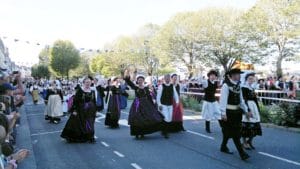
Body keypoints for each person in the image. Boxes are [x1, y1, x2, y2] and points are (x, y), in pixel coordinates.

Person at [219, 68, 250, 161]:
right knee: (235, 133)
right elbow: (223, 100)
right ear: (231, 75)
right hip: (229, 113)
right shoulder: (226, 85)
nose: (239, 76)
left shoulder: (238, 85)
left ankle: (223, 146)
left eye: (239, 74)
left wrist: (246, 110)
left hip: (237, 113)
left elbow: (241, 100)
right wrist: (223, 113)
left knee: (228, 132)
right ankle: (242, 153)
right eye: (237, 74)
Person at [124, 71, 165, 139]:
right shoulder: (135, 87)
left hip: (146, 104)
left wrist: (153, 105)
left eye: (141, 80)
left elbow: (149, 97)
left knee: (147, 118)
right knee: (137, 119)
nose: (140, 81)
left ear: (143, 80)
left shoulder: (146, 88)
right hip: (137, 104)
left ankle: (143, 133)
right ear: (137, 81)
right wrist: (127, 75)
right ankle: (137, 133)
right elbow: (128, 82)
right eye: (139, 80)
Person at [61, 77, 97, 143]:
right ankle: (83, 136)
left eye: (89, 82)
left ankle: (90, 136)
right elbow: (75, 101)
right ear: (83, 83)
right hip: (81, 110)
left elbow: (94, 101)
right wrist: (74, 110)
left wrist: (95, 110)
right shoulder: (80, 91)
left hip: (90, 111)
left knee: (90, 123)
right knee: (80, 124)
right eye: (86, 82)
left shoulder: (92, 91)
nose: (88, 84)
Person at [241, 72, 262, 150]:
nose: (251, 80)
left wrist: (258, 109)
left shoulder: (252, 88)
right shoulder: (243, 88)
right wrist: (247, 110)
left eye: (252, 78)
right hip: (247, 107)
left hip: (254, 107)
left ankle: (249, 141)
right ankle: (244, 142)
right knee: (245, 126)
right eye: (250, 78)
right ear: (246, 79)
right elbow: (244, 100)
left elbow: (255, 100)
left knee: (255, 126)